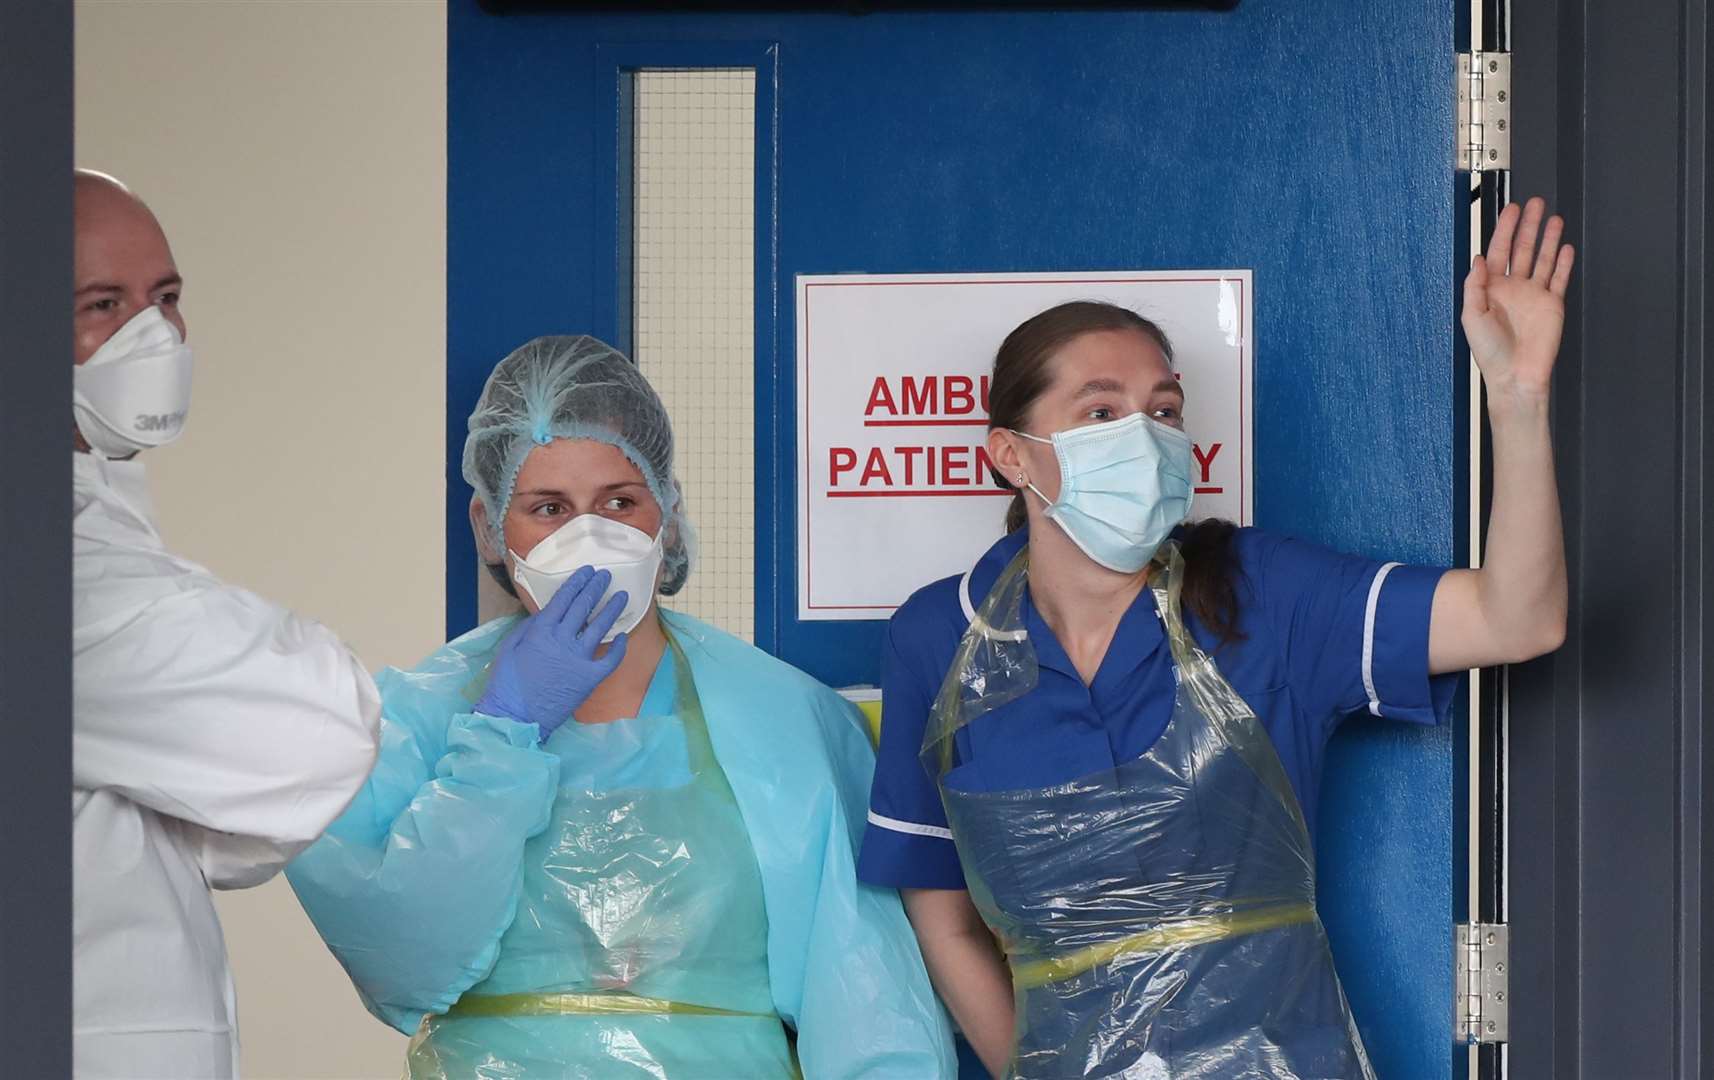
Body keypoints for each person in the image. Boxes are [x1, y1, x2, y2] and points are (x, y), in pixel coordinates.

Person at [858, 199, 1575, 1079]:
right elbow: (939, 911)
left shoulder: (1260, 592)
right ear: (1011, 454)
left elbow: (1518, 617)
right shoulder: (942, 635)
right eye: (1100, 412)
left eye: (1164, 409)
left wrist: (1519, 393)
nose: (1147, 436)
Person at [286, 335, 956, 1078]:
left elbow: (867, 1004)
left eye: (619, 502)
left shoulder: (784, 718)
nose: (588, 536)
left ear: (666, 512)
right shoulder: (413, 720)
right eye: (548, 508)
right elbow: (400, 964)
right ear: (489, 527)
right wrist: (502, 737)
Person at [70, 170, 382, 1078]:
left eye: (165, 297)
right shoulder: (72, 575)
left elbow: (219, 828)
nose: (153, 333)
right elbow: (315, 736)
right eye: (101, 304)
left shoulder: (102, 512)